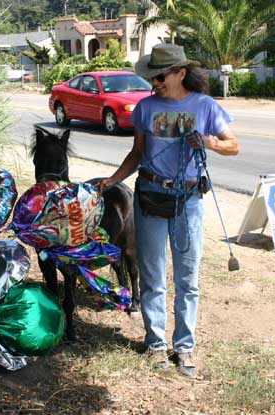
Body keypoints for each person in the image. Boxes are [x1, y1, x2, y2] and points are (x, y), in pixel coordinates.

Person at [98, 44, 239, 378]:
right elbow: (137, 153)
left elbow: (233, 145)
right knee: (152, 275)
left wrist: (208, 142)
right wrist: (113, 179)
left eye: (161, 76)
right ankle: (156, 343)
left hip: (187, 201)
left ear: (180, 73)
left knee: (187, 279)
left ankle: (185, 346)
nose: (156, 82)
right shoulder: (146, 108)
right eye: (153, 76)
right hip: (149, 196)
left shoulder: (205, 106)